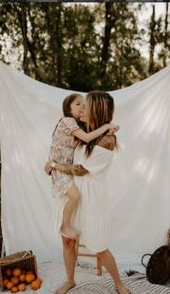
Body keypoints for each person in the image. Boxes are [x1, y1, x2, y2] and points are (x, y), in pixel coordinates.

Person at [45, 91, 132, 294]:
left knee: (100, 247)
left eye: (87, 106)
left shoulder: (107, 139)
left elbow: (82, 170)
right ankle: (70, 280)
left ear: (97, 109)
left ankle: (119, 285)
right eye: (80, 106)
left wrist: (54, 166)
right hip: (73, 193)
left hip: (91, 197)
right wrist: (54, 166)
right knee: (67, 242)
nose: (82, 110)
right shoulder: (83, 131)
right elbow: (64, 150)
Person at [48, 92, 118, 241]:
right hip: (64, 174)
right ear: (68, 109)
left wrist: (107, 130)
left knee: (75, 197)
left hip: (75, 181)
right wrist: (106, 126)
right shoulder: (68, 121)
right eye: (78, 104)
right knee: (75, 196)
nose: (82, 108)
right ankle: (64, 225)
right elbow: (87, 138)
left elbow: (89, 138)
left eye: (84, 105)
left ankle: (66, 225)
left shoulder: (78, 128)